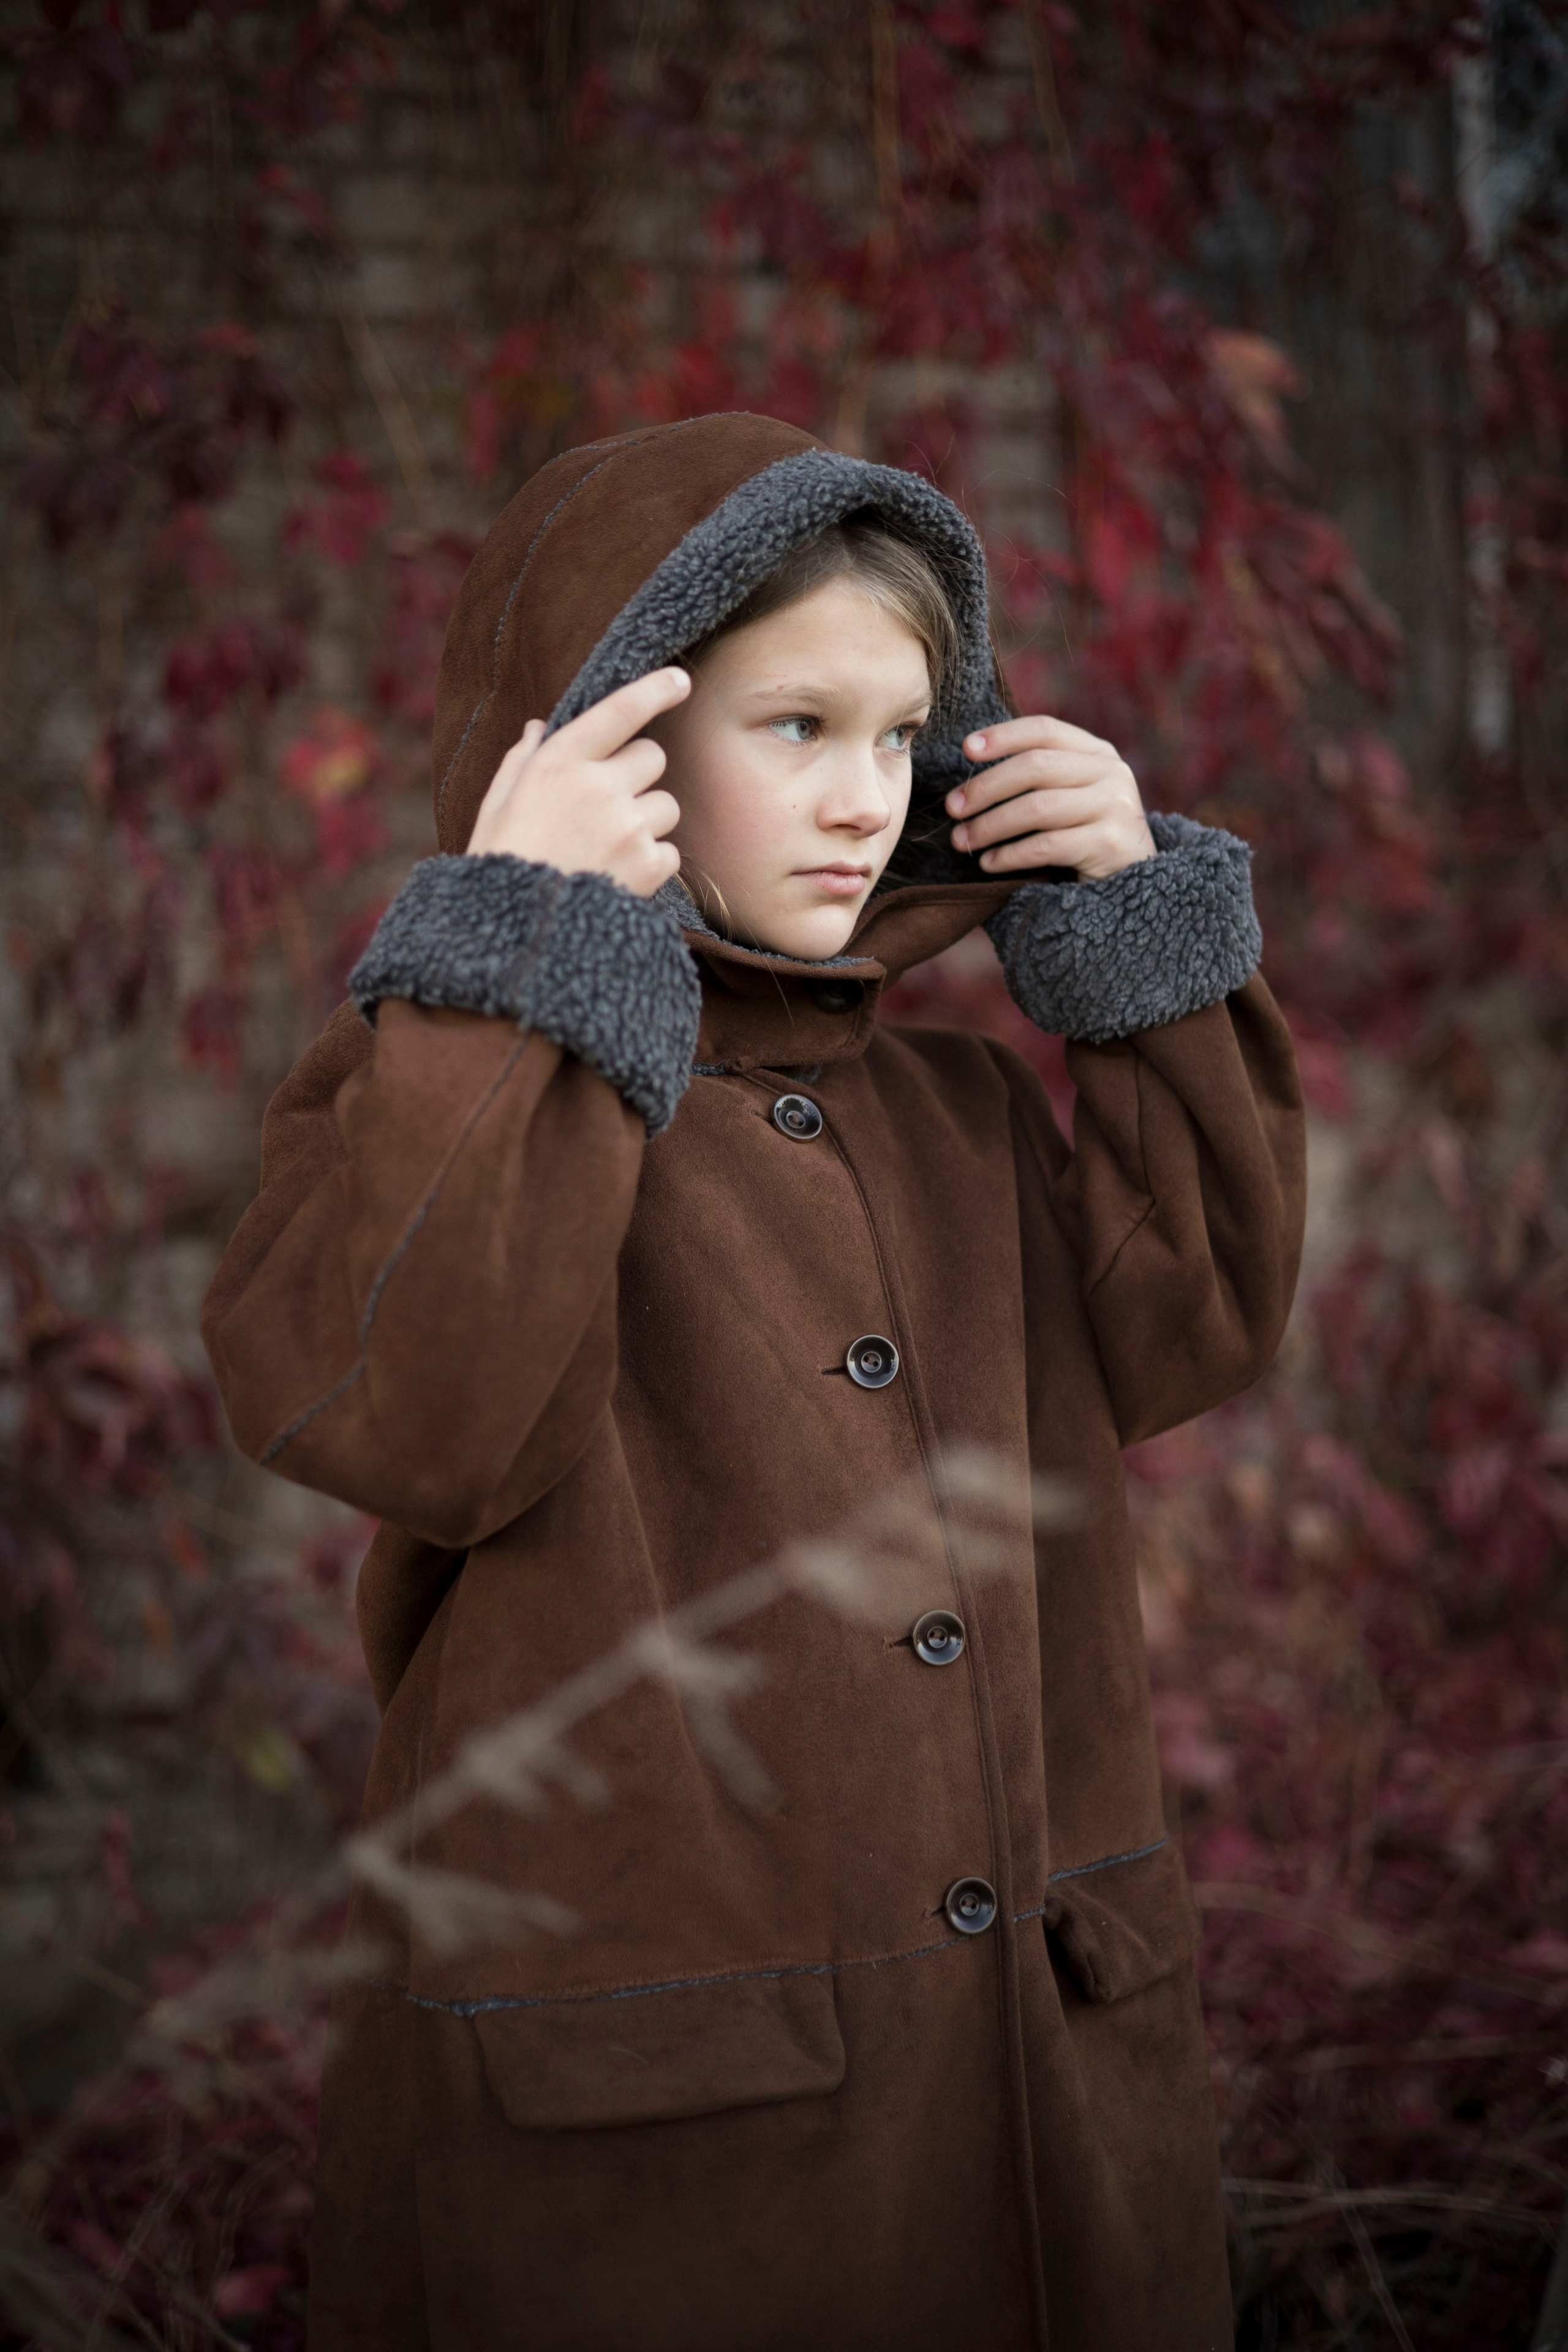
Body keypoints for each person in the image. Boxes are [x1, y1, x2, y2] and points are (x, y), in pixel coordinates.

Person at [202, 411, 1305, 2351]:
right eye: (795, 728)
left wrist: (1141, 943)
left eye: (902, 736)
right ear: (610, 739)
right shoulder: (456, 1084)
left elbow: (1195, 1321)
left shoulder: (962, 1111)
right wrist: (526, 968)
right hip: (670, 2141)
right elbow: (410, 1422)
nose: (867, 797)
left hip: (1041, 2095)